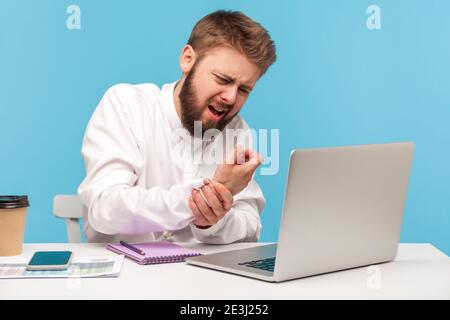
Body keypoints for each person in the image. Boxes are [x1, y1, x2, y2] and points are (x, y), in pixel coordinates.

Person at [78, 10, 277, 243]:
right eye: (223, 80)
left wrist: (212, 221)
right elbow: (105, 207)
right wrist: (201, 200)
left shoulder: (237, 131)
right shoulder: (126, 104)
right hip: (126, 274)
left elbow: (250, 223)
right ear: (187, 60)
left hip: (199, 276)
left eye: (244, 90)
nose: (231, 98)